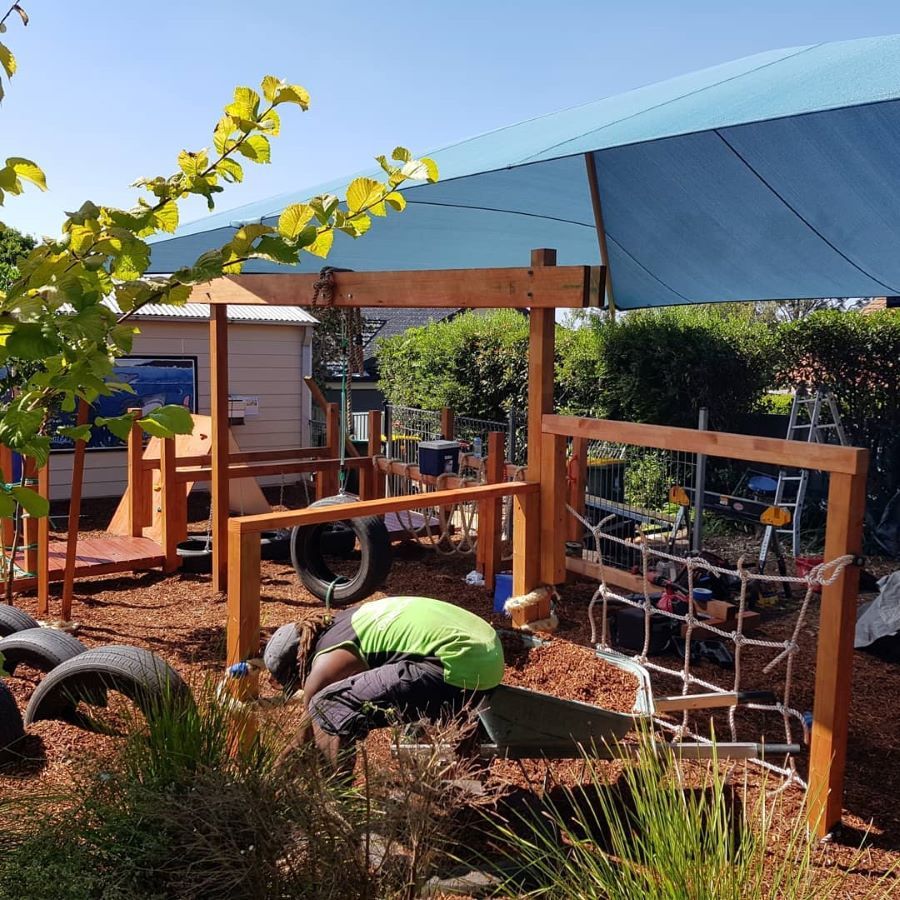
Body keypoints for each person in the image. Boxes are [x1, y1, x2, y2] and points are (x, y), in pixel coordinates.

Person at [267, 595, 505, 771]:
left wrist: (280, 772)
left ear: (299, 661)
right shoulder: (347, 620)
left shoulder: (327, 655)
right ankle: (460, 778)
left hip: (454, 663)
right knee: (385, 691)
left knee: (329, 706)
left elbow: (313, 714)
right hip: (488, 655)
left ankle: (336, 809)